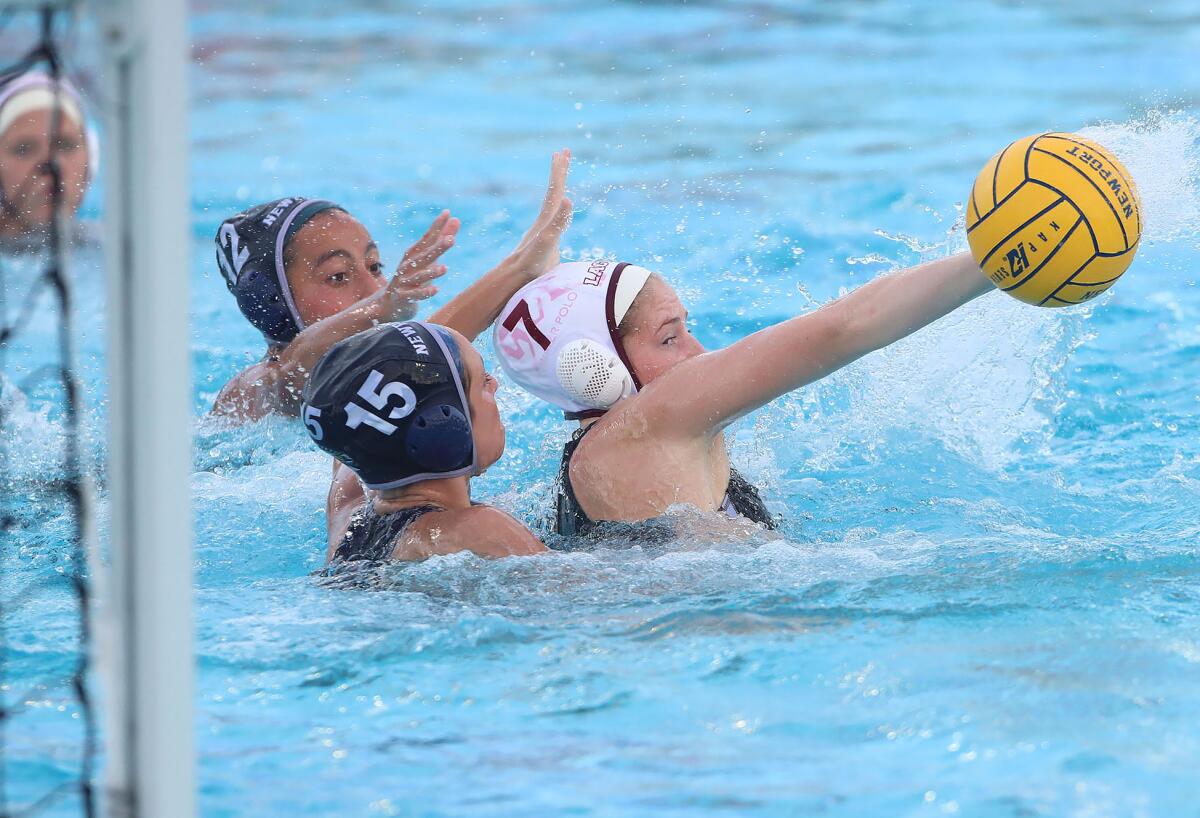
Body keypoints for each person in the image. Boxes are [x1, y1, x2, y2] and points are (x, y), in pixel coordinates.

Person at [494, 252, 993, 535]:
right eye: (669, 338)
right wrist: (994, 260)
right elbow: (842, 328)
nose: (698, 352)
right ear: (595, 369)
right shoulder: (649, 421)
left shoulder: (595, 458)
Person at [212, 150, 572, 422]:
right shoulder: (251, 395)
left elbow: (407, 354)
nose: (372, 288)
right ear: (275, 305)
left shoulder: (378, 383)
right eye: (338, 276)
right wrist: (518, 268)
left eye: (375, 267)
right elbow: (293, 373)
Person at [303, 321, 546, 563]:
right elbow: (575, 587)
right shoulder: (479, 530)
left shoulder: (346, 515)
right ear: (443, 425)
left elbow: (353, 416)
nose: (495, 385)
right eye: (483, 381)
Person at [0, 70, 94, 242]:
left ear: (90, 160)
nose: (50, 163)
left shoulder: (123, 252)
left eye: (65, 145)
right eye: (24, 149)